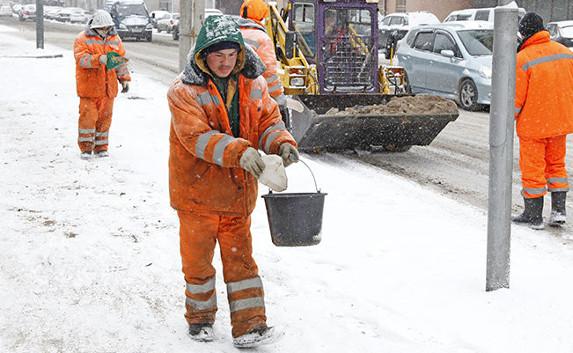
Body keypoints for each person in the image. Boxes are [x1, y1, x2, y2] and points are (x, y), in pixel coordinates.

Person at [167, 15, 299, 348]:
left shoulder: (254, 85)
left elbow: (268, 120)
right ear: (203, 56)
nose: (225, 63)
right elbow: (195, 137)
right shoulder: (183, 92)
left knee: (241, 263)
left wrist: (280, 142)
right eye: (217, 56)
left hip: (238, 196)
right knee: (197, 263)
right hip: (197, 195)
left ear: (240, 54)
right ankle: (199, 320)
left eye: (231, 55)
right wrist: (239, 151)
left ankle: (250, 326)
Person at [512, 12, 573, 229]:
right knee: (557, 165)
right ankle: (558, 212)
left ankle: (533, 214)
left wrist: (509, 117)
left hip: (534, 125)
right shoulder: (565, 53)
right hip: (560, 123)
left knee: (533, 169)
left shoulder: (523, 59)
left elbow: (516, 100)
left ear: (524, 33)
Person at [73, 10, 130, 159]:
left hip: (108, 90)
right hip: (89, 89)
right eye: (101, 28)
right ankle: (86, 148)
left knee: (105, 120)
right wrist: (99, 59)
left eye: (107, 28)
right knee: (88, 119)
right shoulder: (82, 39)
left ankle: (101, 147)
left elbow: (119, 61)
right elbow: (81, 60)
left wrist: (123, 78)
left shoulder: (115, 39)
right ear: (94, 27)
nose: (104, 31)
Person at [237, 0, 289, 127]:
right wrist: (278, 98)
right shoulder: (262, 39)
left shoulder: (234, 34)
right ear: (262, 15)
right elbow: (269, 73)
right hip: (252, 96)